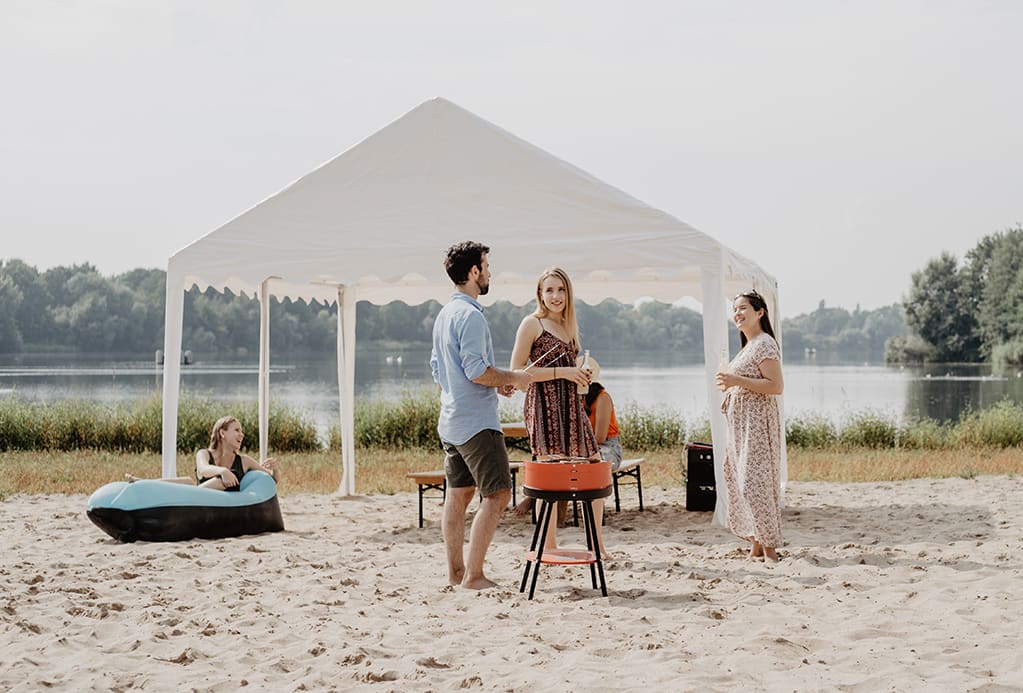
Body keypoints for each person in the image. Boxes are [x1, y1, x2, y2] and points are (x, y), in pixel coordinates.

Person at [430, 241, 532, 590]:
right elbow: (476, 371)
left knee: (458, 495)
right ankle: (474, 576)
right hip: (476, 424)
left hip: (452, 421)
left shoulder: (445, 314)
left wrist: (494, 383)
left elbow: (439, 370)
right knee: (498, 495)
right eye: (486, 267)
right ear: (474, 272)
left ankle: (455, 573)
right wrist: (514, 378)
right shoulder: (471, 315)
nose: (490, 273)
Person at [509, 266, 610, 558]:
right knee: (549, 477)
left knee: (594, 468)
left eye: (561, 289)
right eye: (549, 290)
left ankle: (597, 544)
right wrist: (564, 372)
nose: (556, 296)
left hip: (571, 405)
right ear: (540, 294)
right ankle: (549, 544)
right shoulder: (532, 324)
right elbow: (517, 372)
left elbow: (570, 370)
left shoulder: (568, 327)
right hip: (543, 406)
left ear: (568, 293)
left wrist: (581, 374)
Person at [715, 289, 784, 563]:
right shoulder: (749, 345)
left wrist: (736, 381)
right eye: (735, 310)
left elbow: (775, 386)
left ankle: (770, 550)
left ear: (760, 312)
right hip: (741, 425)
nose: (738, 314)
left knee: (754, 484)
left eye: (743, 308)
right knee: (740, 481)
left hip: (756, 424)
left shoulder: (764, 343)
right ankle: (756, 544)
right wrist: (731, 386)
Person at [126, 416, 280, 490]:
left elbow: (272, 479)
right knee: (188, 481)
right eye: (237, 430)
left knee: (220, 481)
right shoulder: (204, 454)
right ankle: (143, 483)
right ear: (222, 433)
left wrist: (275, 469)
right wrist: (223, 471)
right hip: (199, 499)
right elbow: (204, 469)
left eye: (242, 431)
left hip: (224, 510)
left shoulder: (244, 461)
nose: (242, 435)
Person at [584, 382, 623, 472]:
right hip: (586, 449)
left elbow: (600, 438)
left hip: (607, 447)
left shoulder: (602, 397)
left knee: (591, 464)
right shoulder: (574, 398)